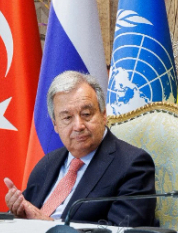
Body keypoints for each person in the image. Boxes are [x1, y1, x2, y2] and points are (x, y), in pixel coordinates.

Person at [3, 71, 157, 227]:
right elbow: (26, 217)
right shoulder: (46, 164)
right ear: (56, 125)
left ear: (104, 115)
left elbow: (122, 230)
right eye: (67, 118)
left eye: (86, 114)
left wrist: (47, 225)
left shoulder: (132, 166)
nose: (78, 126)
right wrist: (17, 212)